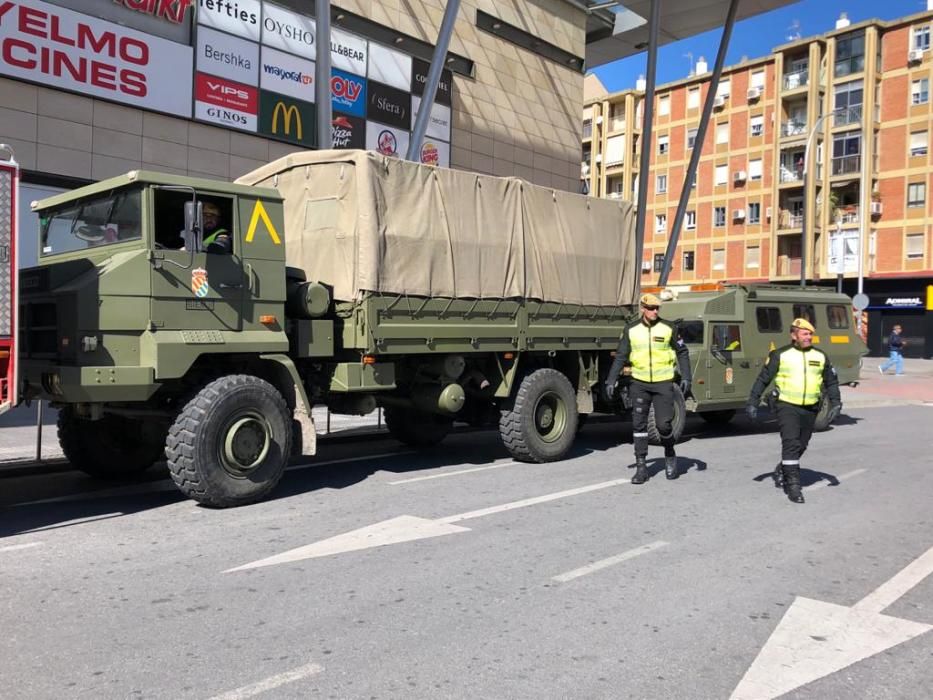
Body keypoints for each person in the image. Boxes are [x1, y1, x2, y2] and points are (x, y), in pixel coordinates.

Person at [745, 318, 842, 504]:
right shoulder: (781, 355)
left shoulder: (820, 356)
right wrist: (753, 401)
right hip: (787, 405)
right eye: (805, 334)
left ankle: (783, 468)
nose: (809, 337)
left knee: (801, 445)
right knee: (790, 443)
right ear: (793, 335)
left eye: (810, 334)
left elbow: (831, 381)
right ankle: (794, 486)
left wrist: (836, 402)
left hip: (811, 407)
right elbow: (763, 379)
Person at [605, 293, 692, 484]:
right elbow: (621, 355)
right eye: (651, 308)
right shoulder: (631, 329)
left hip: (663, 383)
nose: (655, 311)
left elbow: (682, 352)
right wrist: (611, 380)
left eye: (657, 308)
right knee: (639, 426)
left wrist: (686, 376)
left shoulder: (669, 328)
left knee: (663, 426)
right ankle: (641, 467)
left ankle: (670, 453)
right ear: (643, 309)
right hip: (639, 383)